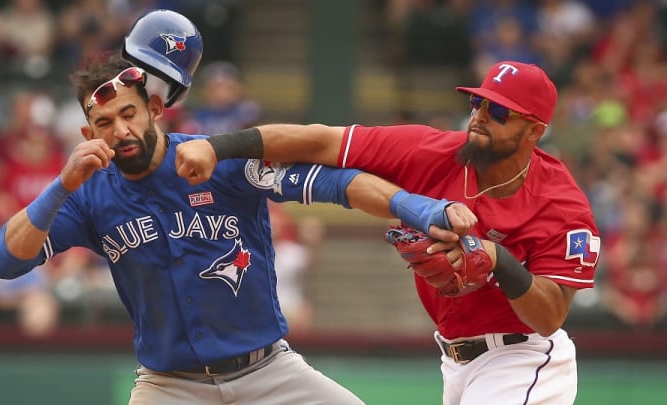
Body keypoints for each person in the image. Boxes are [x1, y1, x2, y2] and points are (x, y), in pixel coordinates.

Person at [0, 10, 479, 405]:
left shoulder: (214, 158)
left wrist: (420, 209)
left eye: (129, 113)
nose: (119, 130)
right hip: (168, 385)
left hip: (270, 373)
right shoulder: (87, 195)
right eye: (103, 122)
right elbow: (5, 262)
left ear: (155, 110)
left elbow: (338, 184)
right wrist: (61, 185)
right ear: (87, 134)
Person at [176, 60, 602, 404]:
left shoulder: (560, 204)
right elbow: (320, 141)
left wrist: (498, 259)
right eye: (478, 103)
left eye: (500, 112)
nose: (481, 117)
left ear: (535, 131)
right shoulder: (431, 152)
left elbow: (549, 317)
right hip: (455, 361)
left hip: (523, 358)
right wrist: (217, 147)